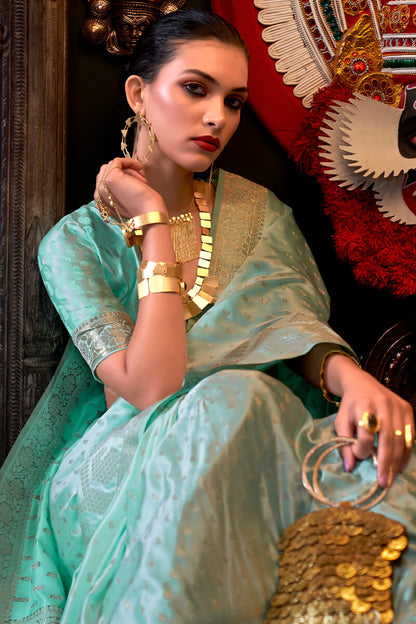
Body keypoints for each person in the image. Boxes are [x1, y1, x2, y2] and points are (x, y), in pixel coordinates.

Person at [0, 9, 414, 624]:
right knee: (230, 397)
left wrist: (355, 381)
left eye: (234, 101)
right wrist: (152, 223)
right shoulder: (76, 243)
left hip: (251, 436)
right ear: (139, 93)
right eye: (196, 89)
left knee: (372, 476)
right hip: (121, 466)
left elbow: (290, 321)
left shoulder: (260, 213)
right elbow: (150, 387)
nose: (218, 116)